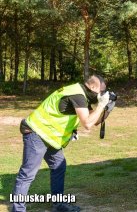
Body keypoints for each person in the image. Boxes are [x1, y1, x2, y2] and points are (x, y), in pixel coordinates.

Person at [12, 74, 115, 212]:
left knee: (58, 166)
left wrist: (107, 108)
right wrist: (101, 104)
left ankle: (58, 204)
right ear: (92, 87)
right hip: (36, 132)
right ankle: (17, 209)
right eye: (101, 91)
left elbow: (96, 120)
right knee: (27, 174)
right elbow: (88, 124)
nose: (102, 94)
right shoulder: (77, 95)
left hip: (49, 136)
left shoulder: (81, 95)